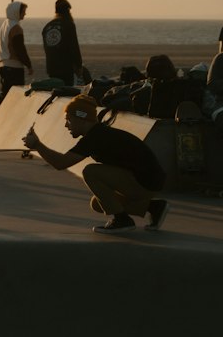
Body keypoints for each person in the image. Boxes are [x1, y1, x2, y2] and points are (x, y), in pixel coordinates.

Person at [23, 95, 169, 233]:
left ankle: (122, 220)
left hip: (146, 182)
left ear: (82, 118)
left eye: (68, 119)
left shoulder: (95, 137)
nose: (66, 125)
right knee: (98, 203)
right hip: (148, 181)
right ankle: (154, 207)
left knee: (91, 171)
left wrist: (37, 145)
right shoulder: (97, 133)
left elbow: (61, 163)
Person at [0, 0, 33, 111]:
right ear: (17, 12)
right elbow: (20, 49)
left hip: (2, 63)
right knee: (12, 95)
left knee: (6, 93)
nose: (25, 14)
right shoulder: (16, 28)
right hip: (14, 66)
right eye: (23, 11)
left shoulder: (5, 24)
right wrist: (29, 65)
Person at [41, 0, 83, 85]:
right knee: (66, 93)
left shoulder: (47, 27)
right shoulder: (68, 24)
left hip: (51, 68)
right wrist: (79, 66)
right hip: (66, 68)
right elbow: (74, 47)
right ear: (68, 10)